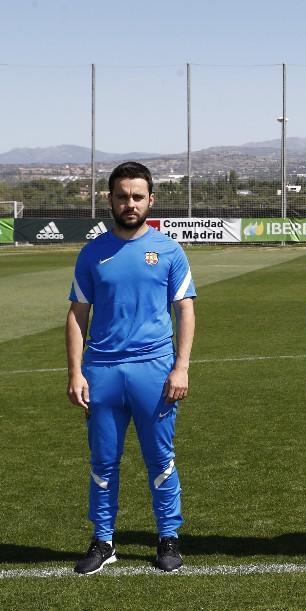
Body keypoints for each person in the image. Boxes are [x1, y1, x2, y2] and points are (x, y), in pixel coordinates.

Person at [66, 161, 196, 575]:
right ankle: (103, 541)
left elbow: (185, 310)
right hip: (102, 372)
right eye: (122, 196)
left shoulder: (170, 251)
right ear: (110, 199)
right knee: (103, 461)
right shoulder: (92, 253)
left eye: (137, 196)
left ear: (150, 200)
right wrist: (75, 371)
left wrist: (181, 367)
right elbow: (76, 314)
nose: (129, 203)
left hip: (154, 371)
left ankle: (168, 536)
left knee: (160, 458)